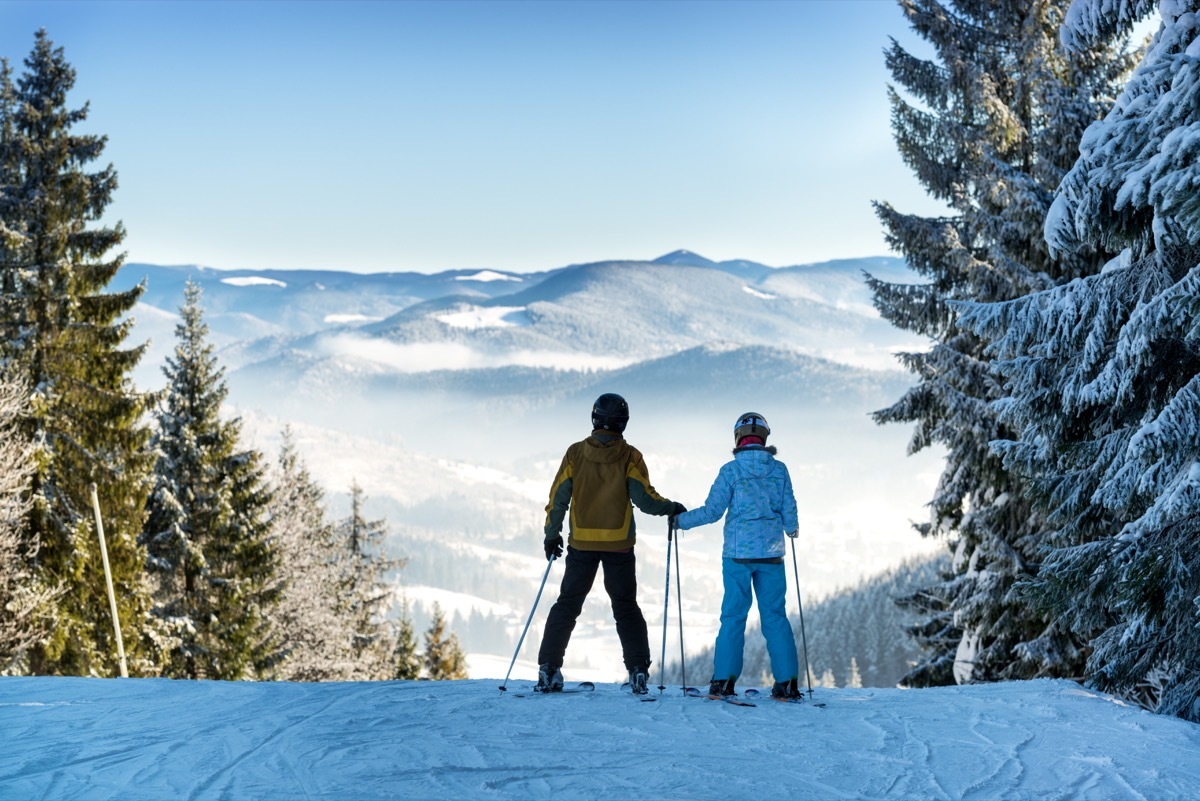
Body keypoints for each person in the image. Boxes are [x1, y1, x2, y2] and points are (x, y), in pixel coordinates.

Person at [537, 392, 685, 695]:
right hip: (619, 543)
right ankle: (638, 671)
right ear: (623, 423)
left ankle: (548, 668)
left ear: (594, 419)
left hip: (582, 544)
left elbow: (557, 499)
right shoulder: (630, 456)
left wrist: (552, 535)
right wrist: (671, 508)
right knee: (625, 607)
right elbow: (645, 499)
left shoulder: (575, 454)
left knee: (567, 605)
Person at [674, 412, 802, 700]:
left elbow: (712, 512)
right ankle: (788, 684)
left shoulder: (730, 471)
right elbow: (789, 510)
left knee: (733, 616)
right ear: (765, 438)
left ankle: (723, 682)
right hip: (771, 555)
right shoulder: (779, 470)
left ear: (738, 438)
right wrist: (792, 530)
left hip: (737, 555)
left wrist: (680, 521)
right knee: (775, 617)